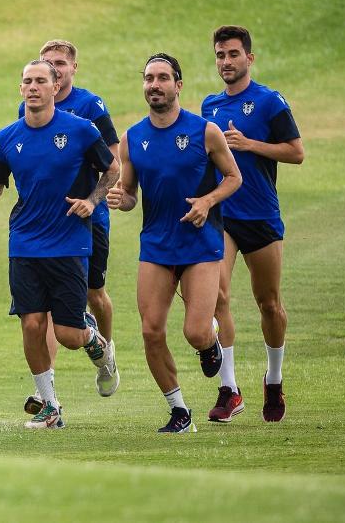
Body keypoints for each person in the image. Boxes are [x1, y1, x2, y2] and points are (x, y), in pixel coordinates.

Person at [0, 60, 118, 429]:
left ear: (54, 86)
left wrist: (92, 202)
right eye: (27, 81)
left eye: (40, 81)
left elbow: (112, 170)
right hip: (25, 244)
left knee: (69, 335)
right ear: (21, 89)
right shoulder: (7, 137)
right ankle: (50, 405)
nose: (33, 87)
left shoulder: (80, 131)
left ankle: (95, 339)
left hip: (69, 243)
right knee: (31, 324)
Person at [108, 54, 242, 432]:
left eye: (162, 77)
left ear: (178, 85)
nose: (154, 84)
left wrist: (207, 201)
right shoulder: (132, 138)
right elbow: (131, 193)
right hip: (156, 244)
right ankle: (179, 411)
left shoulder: (205, 131)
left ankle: (210, 341)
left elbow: (233, 178)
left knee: (195, 332)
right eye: (148, 78)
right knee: (151, 331)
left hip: (200, 244)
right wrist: (121, 199)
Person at [202, 25, 304, 423]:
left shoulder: (269, 102)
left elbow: (296, 152)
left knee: (269, 303)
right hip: (223, 215)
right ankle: (229, 389)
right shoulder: (208, 106)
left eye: (232, 54)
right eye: (219, 55)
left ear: (249, 58)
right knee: (216, 296)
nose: (225, 62)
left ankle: (274, 379)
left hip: (261, 215)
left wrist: (249, 145)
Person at [19, 40, 122, 414]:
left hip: (88, 219)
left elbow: (113, 154)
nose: (54, 69)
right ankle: (46, 390)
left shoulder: (90, 106)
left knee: (95, 292)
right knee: (40, 309)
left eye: (60, 63)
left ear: (73, 68)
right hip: (44, 226)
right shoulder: (29, 105)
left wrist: (94, 193)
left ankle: (105, 353)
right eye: (48, 63)